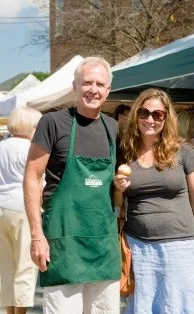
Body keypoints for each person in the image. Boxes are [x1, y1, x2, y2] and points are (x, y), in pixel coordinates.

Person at [24, 56, 121, 314]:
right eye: (87, 82)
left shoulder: (112, 128)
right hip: (64, 243)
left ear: (108, 90)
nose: (93, 89)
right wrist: (36, 236)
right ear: (74, 86)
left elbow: (116, 187)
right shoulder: (53, 123)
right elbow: (32, 178)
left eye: (100, 84)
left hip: (103, 244)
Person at [114, 88, 194, 313]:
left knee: (179, 306)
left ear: (166, 118)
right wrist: (118, 189)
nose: (150, 119)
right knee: (143, 306)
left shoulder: (183, 151)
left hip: (180, 245)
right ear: (136, 115)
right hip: (139, 246)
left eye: (157, 115)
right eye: (144, 113)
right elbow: (117, 204)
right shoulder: (125, 153)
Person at [0, 107, 42, 314]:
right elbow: (38, 182)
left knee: (6, 267)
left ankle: (10, 312)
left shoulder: (0, 146)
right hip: (22, 207)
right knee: (25, 267)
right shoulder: (31, 147)